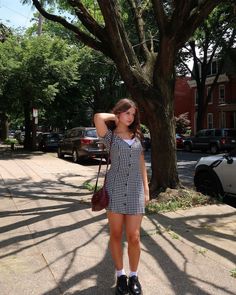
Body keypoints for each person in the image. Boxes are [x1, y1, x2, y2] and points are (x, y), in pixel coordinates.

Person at [94, 98, 149, 295]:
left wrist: (146, 189)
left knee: (134, 237)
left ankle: (134, 275)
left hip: (135, 189)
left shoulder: (138, 135)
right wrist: (116, 116)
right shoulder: (109, 136)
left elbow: (142, 162)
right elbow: (98, 117)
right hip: (114, 188)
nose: (131, 117)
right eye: (128, 113)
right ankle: (121, 275)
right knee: (116, 234)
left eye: (133, 114)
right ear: (119, 113)